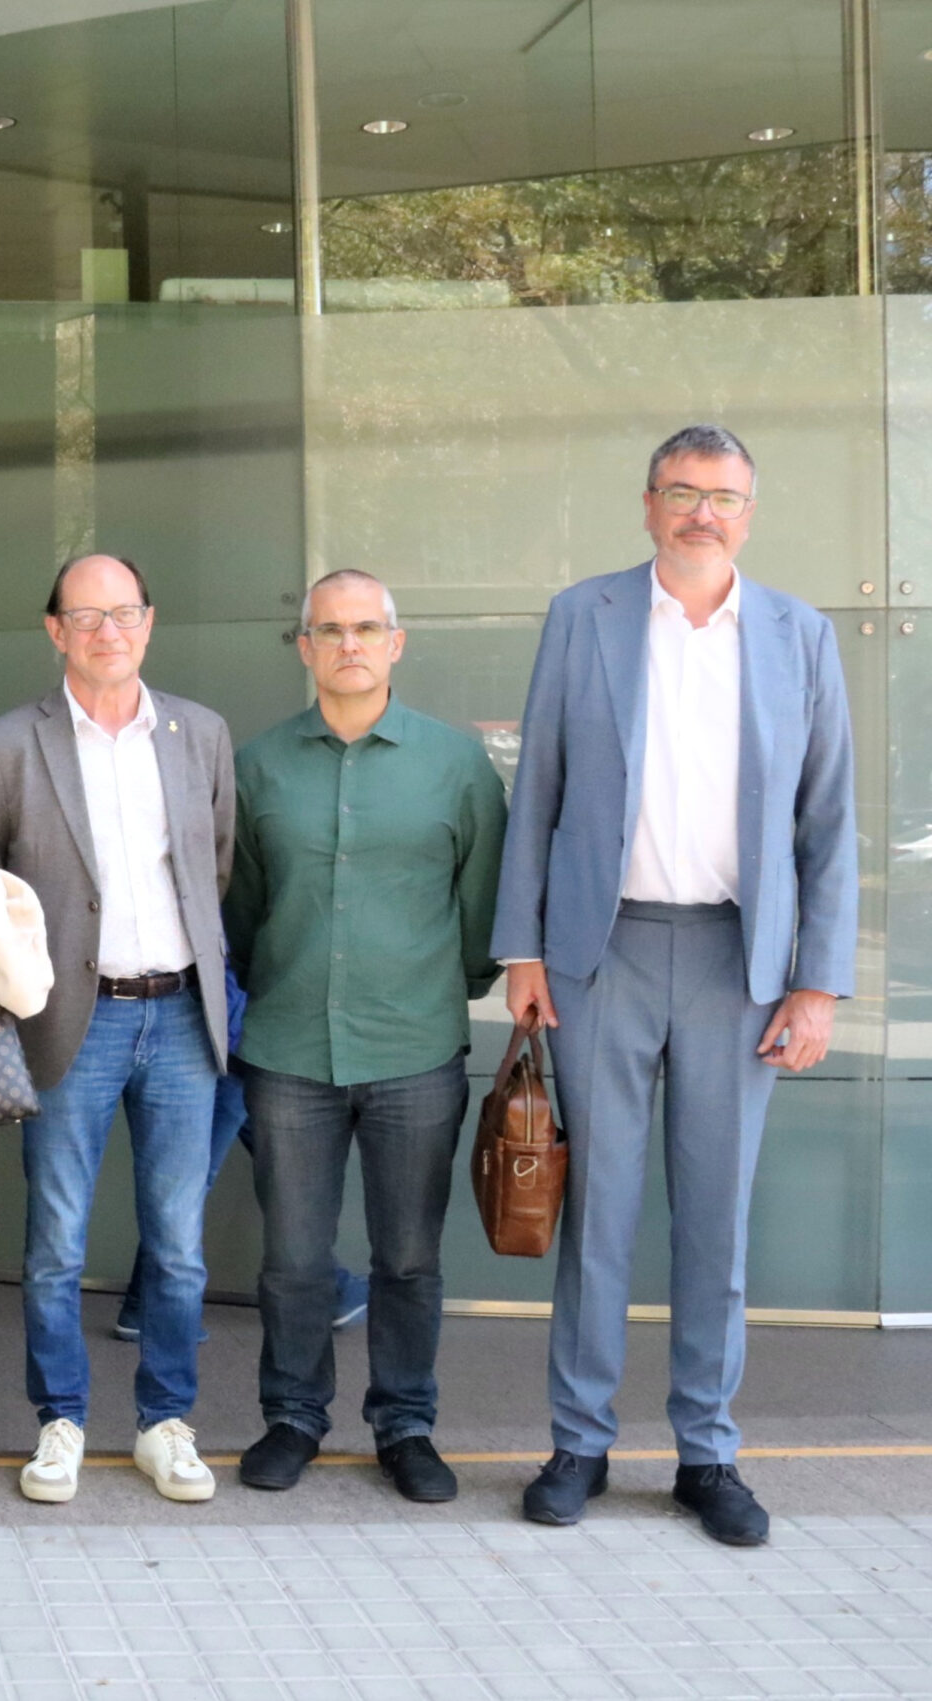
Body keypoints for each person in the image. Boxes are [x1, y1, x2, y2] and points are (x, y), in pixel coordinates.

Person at [496, 425, 856, 1548]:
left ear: (750, 513)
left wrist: (817, 984)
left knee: (716, 1221)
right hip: (598, 953)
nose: (703, 513)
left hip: (737, 965)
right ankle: (579, 1444)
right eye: (684, 492)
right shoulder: (585, 615)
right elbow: (539, 786)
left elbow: (827, 819)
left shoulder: (799, 634)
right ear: (648, 504)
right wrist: (522, 950)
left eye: (724, 497)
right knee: (594, 1215)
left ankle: (707, 1452)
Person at [0, 552, 235, 1507]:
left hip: (182, 1016)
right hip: (72, 1019)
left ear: (148, 622)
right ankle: (61, 1420)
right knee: (56, 1243)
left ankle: (166, 1422)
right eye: (86, 615)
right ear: (55, 630)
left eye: (124, 613)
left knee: (179, 1244)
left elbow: (216, 868)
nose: (107, 630)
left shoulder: (200, 734)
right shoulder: (5, 747)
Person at [224, 570, 506, 1502]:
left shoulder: (457, 765)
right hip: (289, 1051)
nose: (350, 644)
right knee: (294, 1261)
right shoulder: (258, 767)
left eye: (367, 628)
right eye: (331, 630)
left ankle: (406, 1424)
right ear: (305, 647)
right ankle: (293, 1417)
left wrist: (440, 994)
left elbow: (482, 909)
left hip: (415, 1050)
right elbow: (242, 908)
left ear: (396, 642)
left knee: (410, 1258)